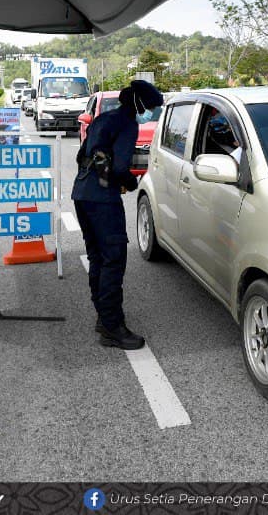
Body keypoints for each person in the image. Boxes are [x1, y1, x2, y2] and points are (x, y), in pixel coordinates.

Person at [72, 79, 164, 350]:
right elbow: (121, 167)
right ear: (140, 105)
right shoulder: (127, 124)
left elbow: (81, 155)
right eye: (151, 108)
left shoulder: (103, 119)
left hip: (82, 194)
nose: (151, 113)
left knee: (97, 258)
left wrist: (102, 177)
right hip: (103, 201)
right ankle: (113, 327)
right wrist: (130, 183)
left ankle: (104, 317)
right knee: (113, 260)